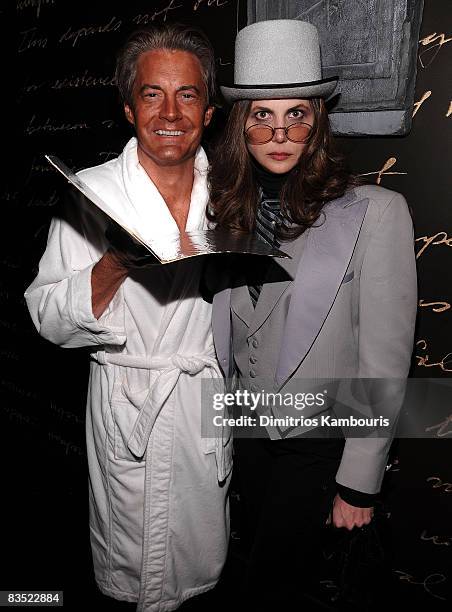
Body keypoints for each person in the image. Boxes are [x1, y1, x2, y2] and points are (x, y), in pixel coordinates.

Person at [207, 19, 418, 608]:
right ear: (241, 126)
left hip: (320, 444)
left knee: (273, 587)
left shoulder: (377, 213)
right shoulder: (222, 218)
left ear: (318, 121)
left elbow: (384, 359)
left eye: (296, 114)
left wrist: (359, 480)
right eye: (262, 116)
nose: (281, 132)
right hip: (245, 432)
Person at [25, 23, 232, 612]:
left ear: (209, 110)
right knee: (126, 572)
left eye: (187, 94)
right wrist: (114, 264)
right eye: (152, 94)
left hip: (197, 402)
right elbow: (46, 316)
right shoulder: (91, 193)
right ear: (127, 106)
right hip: (127, 402)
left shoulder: (234, 194)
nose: (170, 112)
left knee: (199, 573)